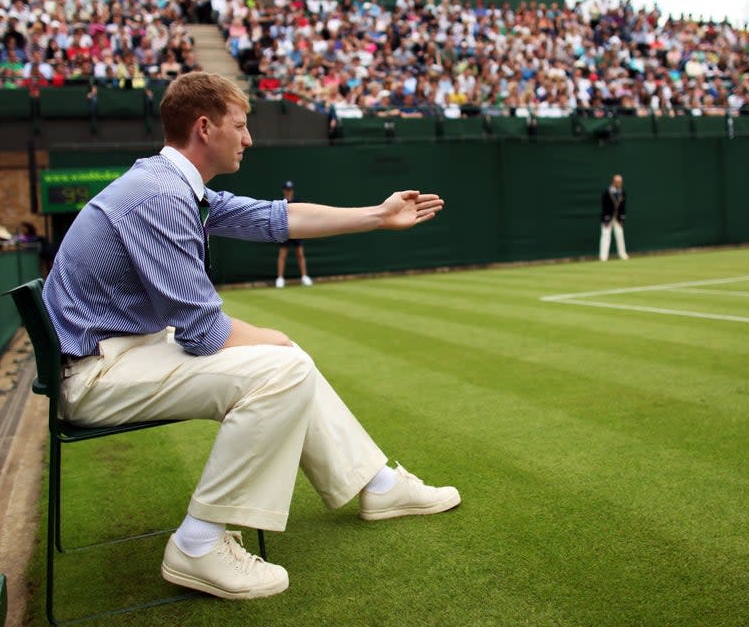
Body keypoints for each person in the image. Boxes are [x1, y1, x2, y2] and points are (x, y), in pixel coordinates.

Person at [42, 72, 460, 600]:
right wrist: (273, 339)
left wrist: (377, 216)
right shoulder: (159, 194)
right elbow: (201, 331)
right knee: (283, 363)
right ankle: (198, 544)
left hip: (122, 353)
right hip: (95, 374)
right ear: (203, 127)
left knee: (286, 358)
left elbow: (275, 218)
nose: (248, 138)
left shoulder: (172, 185)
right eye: (239, 126)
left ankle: (376, 485)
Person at [275, 180, 312, 288]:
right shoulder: (280, 203)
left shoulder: (297, 201)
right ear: (283, 191)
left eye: (290, 190)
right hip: (284, 231)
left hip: (296, 231)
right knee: (282, 256)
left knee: (300, 254)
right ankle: (280, 278)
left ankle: (304, 277)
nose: (288, 192)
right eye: (287, 190)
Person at [599, 174, 629, 261]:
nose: (619, 183)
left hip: (618, 218)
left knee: (620, 236)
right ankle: (603, 257)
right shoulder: (607, 192)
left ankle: (623, 254)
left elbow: (623, 206)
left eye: (620, 182)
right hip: (607, 218)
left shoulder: (622, 192)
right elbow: (604, 206)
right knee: (605, 237)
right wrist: (606, 218)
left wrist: (622, 218)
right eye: (617, 182)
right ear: (613, 182)